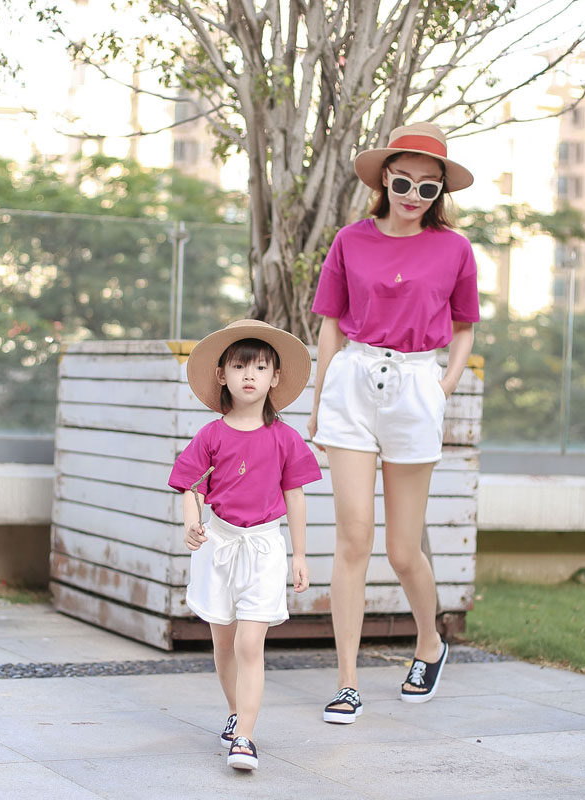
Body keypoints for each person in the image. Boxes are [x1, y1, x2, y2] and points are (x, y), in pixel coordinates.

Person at [307, 122, 480, 723]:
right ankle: (347, 682)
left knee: (404, 551)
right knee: (352, 538)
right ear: (384, 178)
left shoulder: (454, 249)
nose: (413, 195)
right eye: (403, 181)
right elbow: (330, 323)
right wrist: (320, 399)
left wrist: (442, 385)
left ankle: (430, 643)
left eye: (428, 187)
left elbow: (464, 327)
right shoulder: (350, 240)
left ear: (440, 192)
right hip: (352, 383)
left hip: (415, 385)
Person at [169, 319, 321, 770]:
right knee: (224, 643)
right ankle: (236, 713)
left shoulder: (285, 437)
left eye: (259, 367)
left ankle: (246, 738)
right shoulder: (211, 435)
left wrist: (300, 555)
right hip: (218, 546)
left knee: (250, 643)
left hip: (264, 549)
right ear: (222, 375)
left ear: (275, 377)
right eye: (239, 366)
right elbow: (192, 486)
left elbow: (295, 496)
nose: (249, 375)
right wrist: (192, 524)